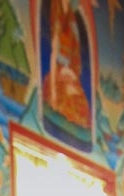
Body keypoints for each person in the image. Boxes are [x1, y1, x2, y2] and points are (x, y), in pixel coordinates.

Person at [43, 0, 91, 131]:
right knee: (67, 101)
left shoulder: (72, 22)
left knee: (83, 106)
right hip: (57, 75)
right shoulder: (57, 19)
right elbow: (54, 55)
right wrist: (53, 90)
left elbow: (76, 57)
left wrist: (72, 74)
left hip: (70, 75)